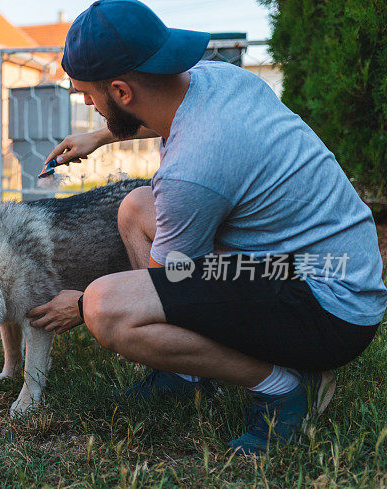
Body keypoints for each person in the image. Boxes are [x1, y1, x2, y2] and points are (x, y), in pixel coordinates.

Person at [26, 0, 387, 455]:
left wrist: (79, 305)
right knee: (136, 208)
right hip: (338, 268)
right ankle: (185, 375)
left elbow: (162, 285)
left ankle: (285, 387)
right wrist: (99, 136)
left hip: (330, 309)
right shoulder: (216, 79)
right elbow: (163, 116)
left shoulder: (191, 172)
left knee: (107, 306)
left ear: (120, 90)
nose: (85, 103)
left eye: (87, 94)